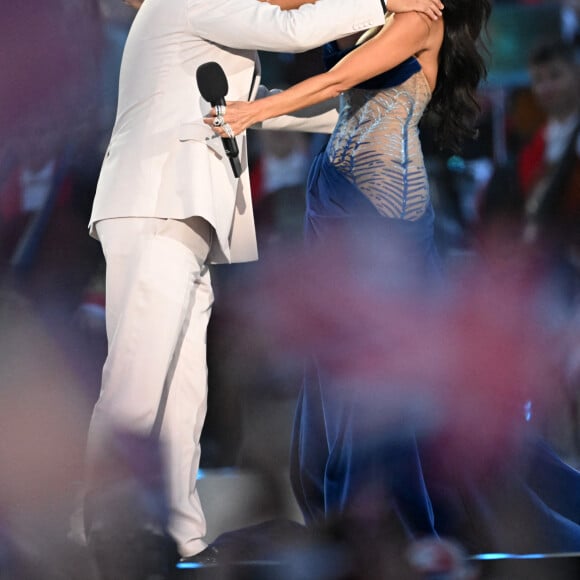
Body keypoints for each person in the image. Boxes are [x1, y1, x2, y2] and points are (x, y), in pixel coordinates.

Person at [84, 0, 446, 565]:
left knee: (183, 392)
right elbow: (294, 31)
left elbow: (252, 108)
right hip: (153, 203)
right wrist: (379, 2)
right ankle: (95, 532)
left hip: (185, 214)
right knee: (137, 381)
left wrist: (369, 110)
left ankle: (181, 535)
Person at [207, 0, 489, 537]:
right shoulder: (373, 11)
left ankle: (386, 525)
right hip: (333, 199)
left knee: (377, 369)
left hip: (383, 208)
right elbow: (282, 6)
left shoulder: (422, 20)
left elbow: (338, 78)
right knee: (334, 363)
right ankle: (345, 524)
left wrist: (251, 115)